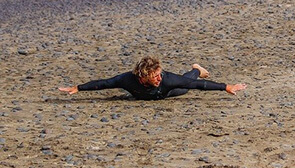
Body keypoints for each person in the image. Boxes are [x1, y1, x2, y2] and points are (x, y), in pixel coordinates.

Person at [58, 56, 247, 100]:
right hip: (147, 94)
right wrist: (78, 88)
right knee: (185, 81)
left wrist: (226, 87)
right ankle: (196, 68)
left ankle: (196, 69)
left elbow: (199, 85)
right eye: (154, 76)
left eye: (159, 74)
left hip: (167, 92)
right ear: (143, 76)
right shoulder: (127, 79)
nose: (158, 78)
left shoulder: (166, 79)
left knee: (186, 84)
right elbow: (104, 83)